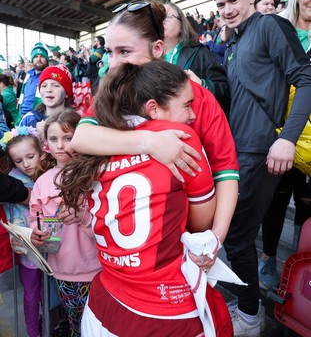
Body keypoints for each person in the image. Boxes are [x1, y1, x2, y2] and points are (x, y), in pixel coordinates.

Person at [60, 60, 232, 337]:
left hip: (104, 300)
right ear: (153, 108)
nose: (192, 115)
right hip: (163, 307)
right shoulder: (181, 137)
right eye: (187, 105)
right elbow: (200, 222)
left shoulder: (99, 139)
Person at [71, 0, 239, 249]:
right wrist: (150, 142)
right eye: (109, 52)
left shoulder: (195, 95)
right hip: (124, 242)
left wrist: (215, 237)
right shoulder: (111, 94)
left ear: (158, 48)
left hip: (182, 241)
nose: (113, 63)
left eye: (124, 52)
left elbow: (226, 170)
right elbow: (81, 137)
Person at [211, 0, 311, 336]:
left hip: (262, 148)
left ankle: (251, 315)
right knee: (235, 234)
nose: (227, 8)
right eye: (221, 3)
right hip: (238, 149)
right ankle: (246, 306)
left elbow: (306, 78)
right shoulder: (235, 43)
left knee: (237, 235)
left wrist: (287, 137)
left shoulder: (271, 26)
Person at [259, 0, 311, 290]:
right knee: (276, 201)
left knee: (306, 204)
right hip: (280, 134)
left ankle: (299, 266)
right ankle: (267, 259)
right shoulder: (281, 31)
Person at [29, 109, 101, 337]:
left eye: (67, 138)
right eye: (53, 139)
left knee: (100, 326)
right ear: (46, 145)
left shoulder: (96, 176)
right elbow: (34, 218)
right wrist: (34, 233)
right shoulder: (42, 182)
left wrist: (84, 216)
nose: (60, 145)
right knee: (76, 325)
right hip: (62, 271)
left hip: (99, 270)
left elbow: (108, 222)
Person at [0, 126, 43, 337]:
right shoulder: (13, 182)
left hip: (54, 249)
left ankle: (51, 325)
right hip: (27, 252)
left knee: (49, 294)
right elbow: (11, 217)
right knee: (31, 295)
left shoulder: (51, 176)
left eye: (30, 156)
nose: (26, 164)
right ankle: (34, 332)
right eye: (18, 161)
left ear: (41, 152)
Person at [163, 2, 230, 112]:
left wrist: (202, 85)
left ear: (181, 25)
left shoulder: (201, 54)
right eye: (157, 17)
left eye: (167, 17)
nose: (161, 21)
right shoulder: (148, 58)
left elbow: (224, 89)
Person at [19, 64, 73, 134]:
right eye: (44, 86)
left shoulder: (75, 121)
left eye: (55, 86)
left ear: (66, 93)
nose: (48, 90)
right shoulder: (29, 119)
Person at [18, 42, 49, 121]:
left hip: (38, 118)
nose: (38, 59)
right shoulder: (28, 76)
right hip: (22, 116)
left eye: (42, 56)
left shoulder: (50, 76)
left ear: (47, 59)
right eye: (36, 56)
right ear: (32, 59)